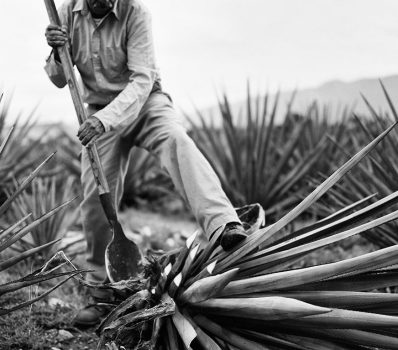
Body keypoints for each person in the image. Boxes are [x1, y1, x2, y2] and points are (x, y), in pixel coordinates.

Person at [44, 0, 247, 326]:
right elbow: (58, 78)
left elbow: (141, 80)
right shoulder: (67, 13)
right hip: (98, 109)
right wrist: (56, 51)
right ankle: (101, 293)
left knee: (178, 142)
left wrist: (105, 120)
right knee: (95, 200)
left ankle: (224, 224)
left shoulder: (136, 13)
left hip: (144, 104)